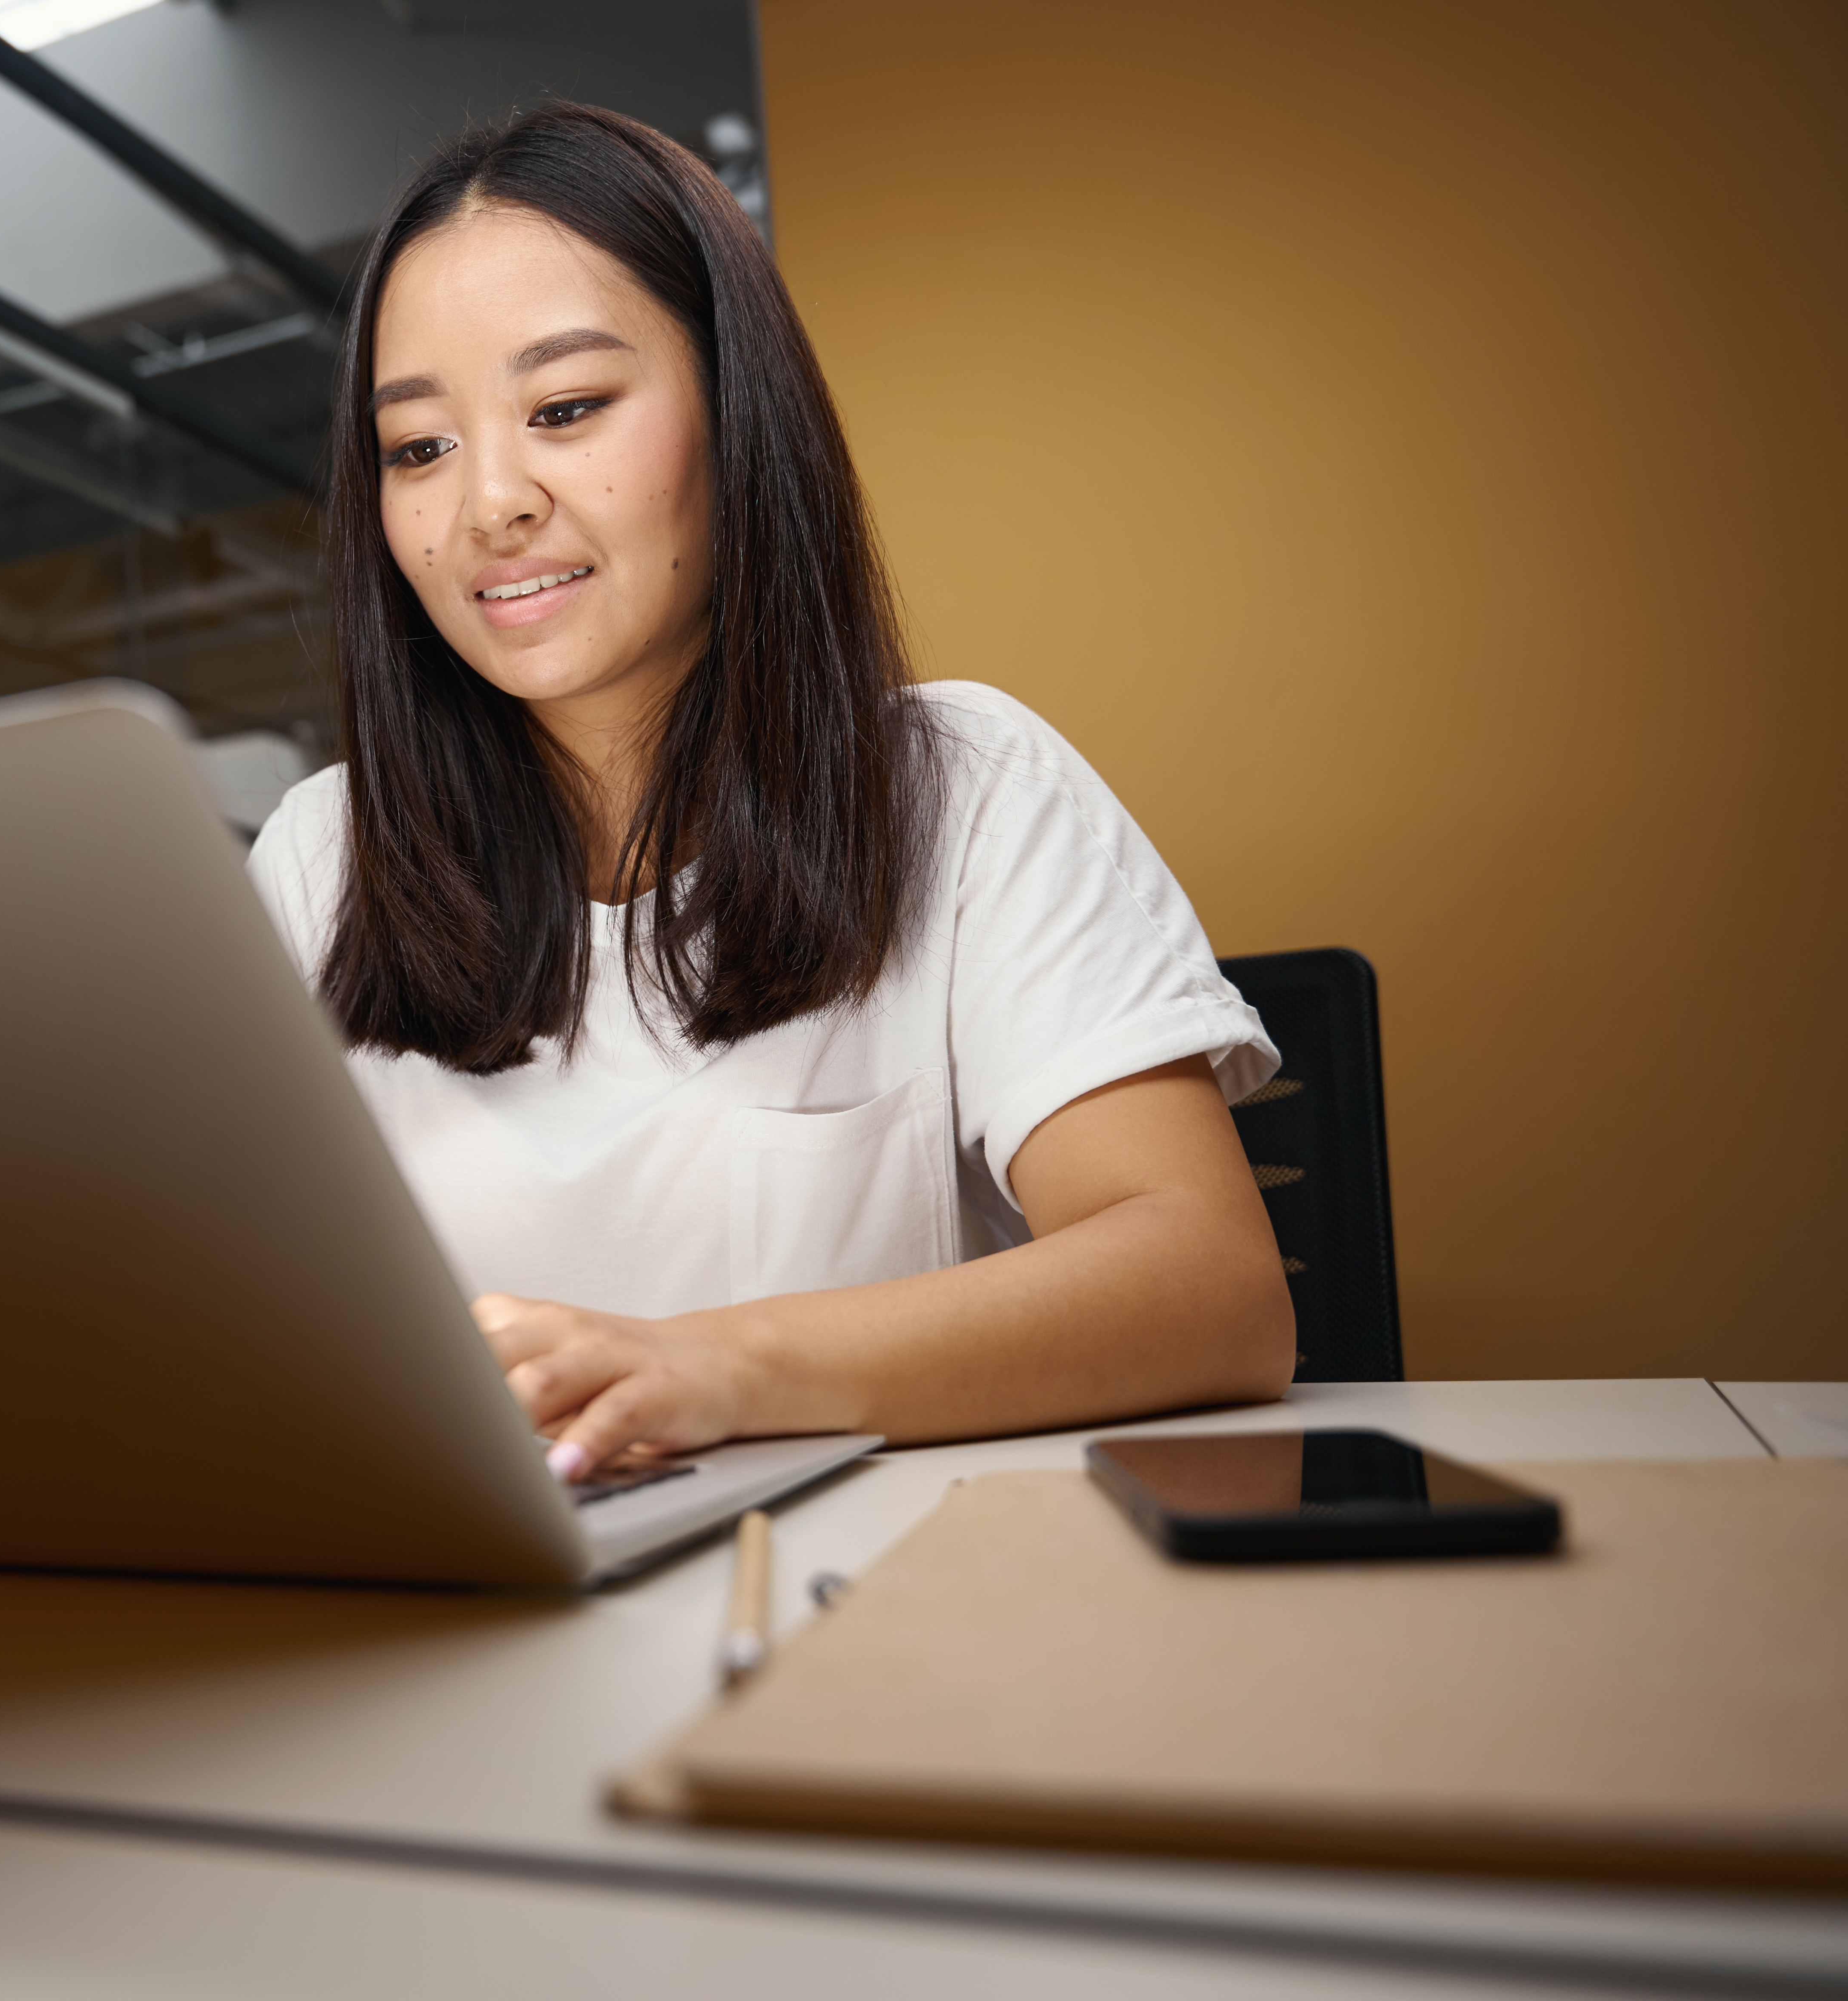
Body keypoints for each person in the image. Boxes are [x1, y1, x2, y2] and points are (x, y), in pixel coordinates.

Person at [246, 105, 1296, 1478]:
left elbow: (1212, 1290)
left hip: (872, 1603)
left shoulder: (965, 785)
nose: (488, 503)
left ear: (738, 416)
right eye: (419, 449)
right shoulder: (324, 854)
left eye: (565, 410)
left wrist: (713, 1367)